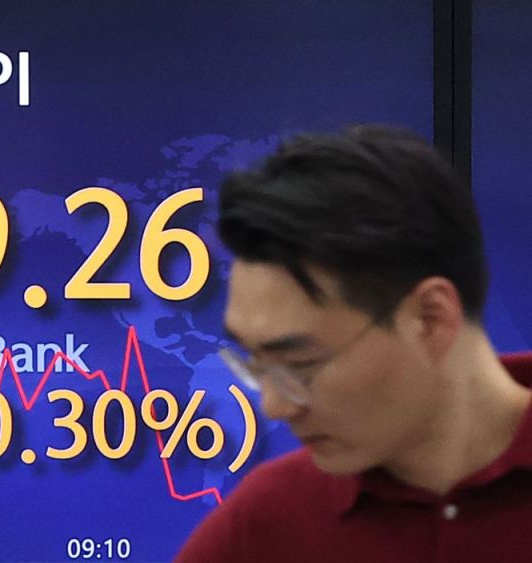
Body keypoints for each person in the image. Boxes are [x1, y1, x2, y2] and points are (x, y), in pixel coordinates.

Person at [176, 125, 532, 562]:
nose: (274, 406)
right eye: (254, 363)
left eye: (300, 364)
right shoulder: (266, 525)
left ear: (430, 318)